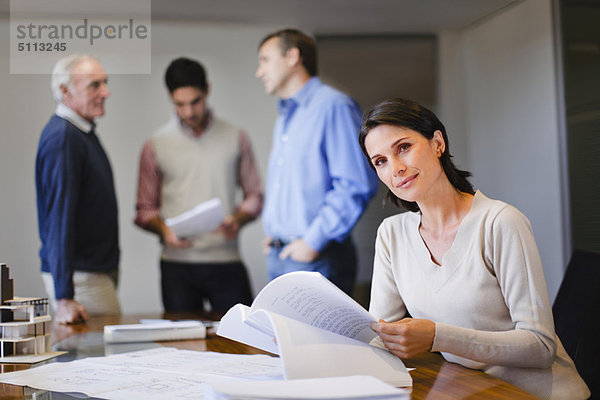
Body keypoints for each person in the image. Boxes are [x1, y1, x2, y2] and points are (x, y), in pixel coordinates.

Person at [360, 98, 590, 399]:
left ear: (437, 143)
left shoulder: (500, 222)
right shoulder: (392, 234)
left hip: (534, 394)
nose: (396, 168)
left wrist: (436, 336)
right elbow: (380, 335)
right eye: (381, 161)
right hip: (469, 389)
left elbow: (541, 346)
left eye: (403, 147)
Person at [135, 57, 262, 314]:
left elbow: (255, 195)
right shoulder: (155, 144)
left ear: (207, 90)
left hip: (226, 261)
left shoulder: (236, 136)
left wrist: (237, 219)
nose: (189, 112)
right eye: (180, 104)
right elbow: (144, 209)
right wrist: (165, 231)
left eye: (195, 102)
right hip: (177, 267)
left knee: (243, 344)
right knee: (182, 346)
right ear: (171, 98)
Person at [256, 28, 378, 295]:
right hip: (280, 255)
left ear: (292, 56)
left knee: (319, 339)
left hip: (318, 257)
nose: (259, 71)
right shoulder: (285, 118)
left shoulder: (334, 106)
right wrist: (274, 235)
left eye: (265, 60)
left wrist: (312, 242)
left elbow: (355, 184)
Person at [35, 55, 121, 324]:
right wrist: (64, 297)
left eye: (105, 83)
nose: (105, 92)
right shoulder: (64, 138)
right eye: (94, 85)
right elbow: (59, 219)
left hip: (91, 274)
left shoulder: (80, 133)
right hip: (80, 280)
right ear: (64, 91)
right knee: (107, 362)